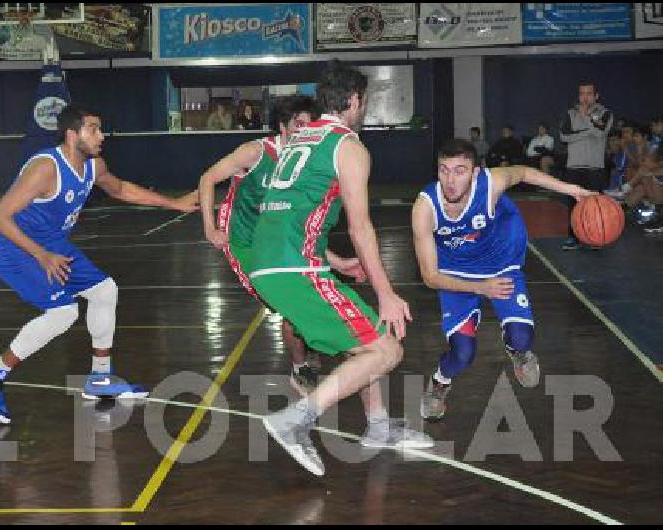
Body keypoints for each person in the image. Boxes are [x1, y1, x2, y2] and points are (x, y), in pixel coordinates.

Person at [249, 61, 433, 476]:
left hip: (275, 261)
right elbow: (360, 226)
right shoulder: (347, 145)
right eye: (364, 102)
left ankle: (379, 427)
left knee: (370, 337)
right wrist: (386, 291)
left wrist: (332, 260)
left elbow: (289, 210)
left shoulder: (302, 136)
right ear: (353, 100)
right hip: (293, 268)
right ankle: (294, 420)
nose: (363, 109)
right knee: (387, 350)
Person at [0, 105, 199, 424]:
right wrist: (41, 255)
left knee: (104, 291)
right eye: (94, 129)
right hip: (11, 245)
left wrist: (174, 203)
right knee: (63, 313)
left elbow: (120, 189)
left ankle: (100, 379)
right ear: (72, 134)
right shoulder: (46, 168)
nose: (102, 135)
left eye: (101, 128)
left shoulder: (94, 165)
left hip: (51, 244)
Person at [411, 139, 595, 421]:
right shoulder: (425, 208)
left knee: (522, 337)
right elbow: (430, 277)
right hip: (455, 271)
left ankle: (516, 351)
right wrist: (480, 288)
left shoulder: (490, 184)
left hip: (498, 259)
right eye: (444, 170)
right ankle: (438, 385)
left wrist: (572, 191)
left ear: (474, 174)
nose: (450, 180)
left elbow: (523, 172)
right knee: (462, 353)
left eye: (460, 171)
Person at [199, 96, 366, 396]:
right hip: (245, 242)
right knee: (289, 305)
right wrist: (210, 228)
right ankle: (301, 366)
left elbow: (297, 227)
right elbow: (207, 177)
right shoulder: (256, 151)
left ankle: (307, 346)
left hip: (277, 239)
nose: (304, 131)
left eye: (308, 125)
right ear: (282, 126)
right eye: (297, 125)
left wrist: (336, 262)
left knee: (298, 299)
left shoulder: (307, 158)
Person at [559, 81, 613, 250]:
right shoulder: (570, 114)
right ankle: (573, 237)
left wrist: (586, 118)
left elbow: (601, 131)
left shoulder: (605, 113)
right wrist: (589, 130)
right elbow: (564, 136)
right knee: (574, 206)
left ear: (596, 96)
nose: (585, 97)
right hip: (573, 167)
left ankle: (595, 237)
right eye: (582, 93)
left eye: (589, 93)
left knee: (595, 206)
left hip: (594, 168)